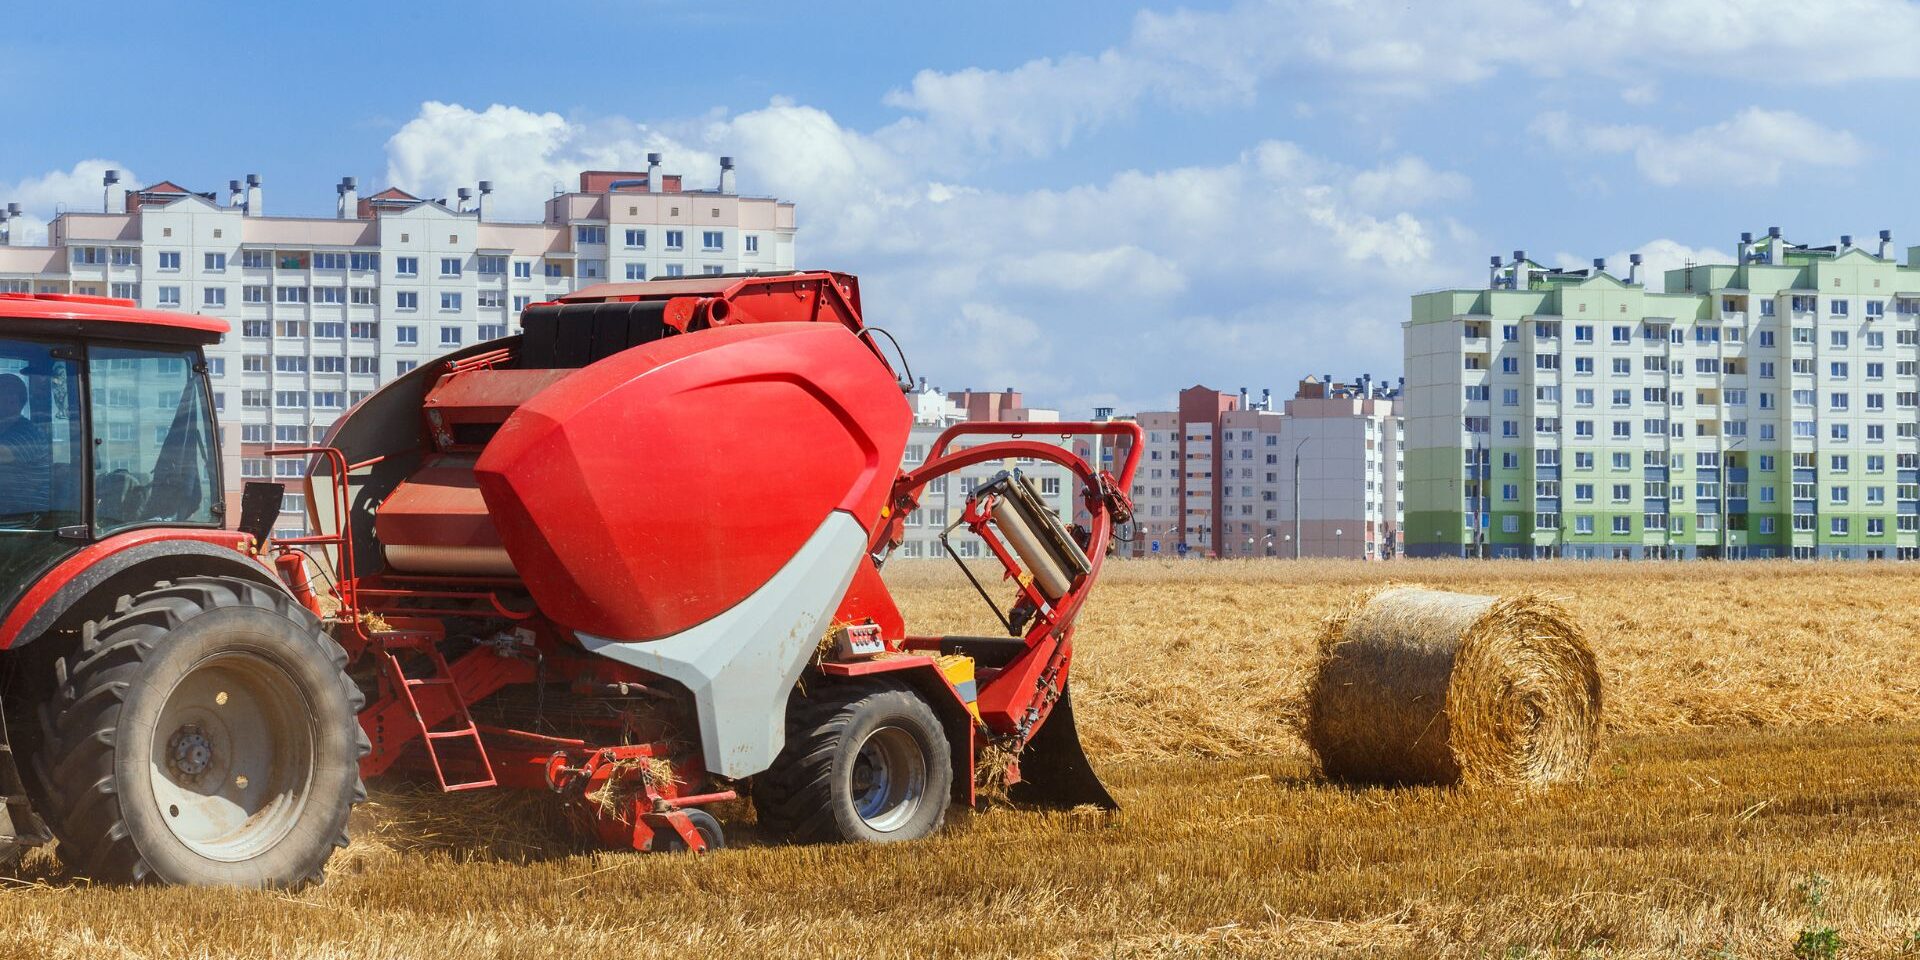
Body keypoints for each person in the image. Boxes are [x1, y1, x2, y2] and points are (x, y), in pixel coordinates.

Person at [0, 373, 51, 519]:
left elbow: (4, 454)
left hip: (22, 522)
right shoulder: (4, 430)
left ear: (13, 402)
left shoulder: (28, 433)